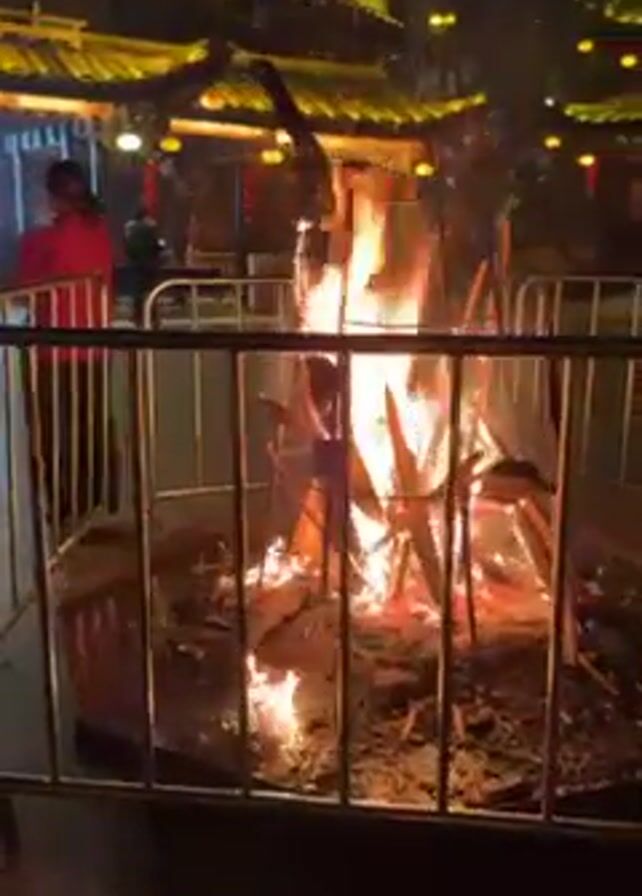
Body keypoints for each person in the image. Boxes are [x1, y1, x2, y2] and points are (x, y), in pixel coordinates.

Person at [17, 159, 118, 534]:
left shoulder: (41, 241)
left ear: (52, 196)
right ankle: (95, 501)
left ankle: (61, 507)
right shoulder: (99, 233)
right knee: (91, 424)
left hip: (54, 348)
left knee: (52, 432)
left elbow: (24, 286)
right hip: (94, 344)